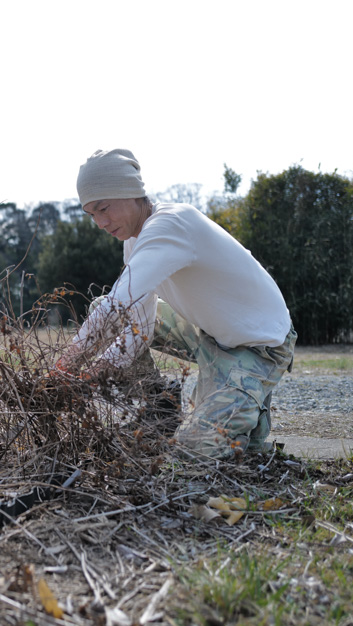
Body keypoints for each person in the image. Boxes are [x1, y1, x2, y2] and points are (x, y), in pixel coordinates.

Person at [55, 148, 296, 460]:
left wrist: (65, 367)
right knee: (109, 311)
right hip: (209, 334)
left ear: (130, 192)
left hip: (260, 345)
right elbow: (138, 325)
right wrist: (95, 373)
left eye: (104, 208)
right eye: (92, 215)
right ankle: (159, 407)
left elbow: (116, 303)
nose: (100, 223)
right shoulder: (134, 242)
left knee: (195, 452)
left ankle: (249, 404)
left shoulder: (171, 224)